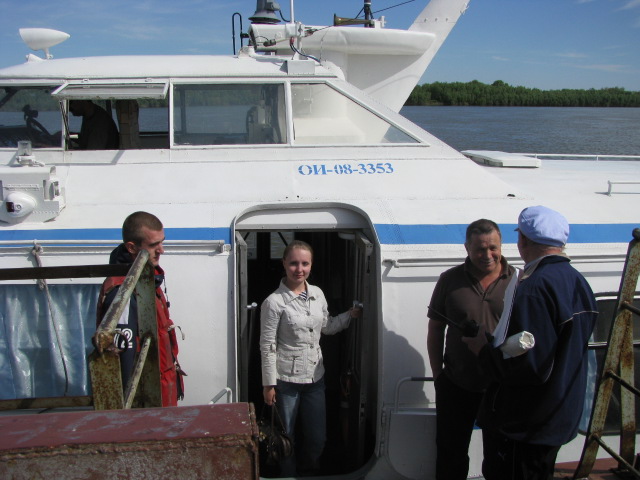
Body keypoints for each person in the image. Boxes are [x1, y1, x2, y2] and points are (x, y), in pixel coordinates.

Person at [462, 206, 598, 480]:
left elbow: (529, 366)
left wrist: (483, 351)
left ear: (523, 240)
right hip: (558, 415)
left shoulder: (534, 288)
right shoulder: (578, 282)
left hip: (525, 424)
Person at [260, 240, 361, 476]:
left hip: (316, 378)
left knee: (318, 437)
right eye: (294, 263)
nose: (299, 269)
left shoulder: (317, 294)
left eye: (305, 263)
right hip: (285, 381)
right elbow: (267, 345)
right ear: (284, 263)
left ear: (311, 265)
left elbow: (327, 326)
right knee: (286, 438)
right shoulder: (273, 302)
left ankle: (308, 467)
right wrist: (268, 384)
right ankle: (288, 474)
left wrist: (349, 315)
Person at [427, 219, 516, 480]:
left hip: (501, 386)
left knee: (499, 457)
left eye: (493, 248)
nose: (487, 255)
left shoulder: (518, 281)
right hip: (457, 383)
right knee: (451, 454)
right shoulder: (450, 280)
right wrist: (438, 375)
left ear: (501, 245)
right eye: (480, 249)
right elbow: (435, 328)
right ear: (467, 248)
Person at [96, 211, 185, 407]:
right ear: (131, 247)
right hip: (146, 404)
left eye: (162, 242)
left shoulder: (147, 279)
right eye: (153, 245)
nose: (161, 250)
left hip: (160, 396)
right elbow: (124, 360)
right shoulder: (123, 293)